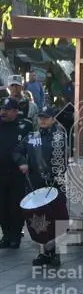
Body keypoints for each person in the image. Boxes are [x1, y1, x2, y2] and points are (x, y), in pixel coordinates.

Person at [22, 106, 68, 266]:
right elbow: (18, 150)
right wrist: (22, 162)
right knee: (38, 220)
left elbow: (63, 160)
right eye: (41, 117)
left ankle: (56, 253)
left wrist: (55, 175)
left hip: (54, 185)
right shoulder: (31, 136)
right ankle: (44, 253)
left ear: (53, 119)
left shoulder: (60, 136)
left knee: (56, 219)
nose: (42, 120)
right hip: (36, 184)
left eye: (46, 117)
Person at [0, 97, 33, 248]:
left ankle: (15, 235)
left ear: (15, 111)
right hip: (1, 172)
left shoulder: (25, 125)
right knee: (2, 206)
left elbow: (31, 146)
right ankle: (6, 234)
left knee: (15, 206)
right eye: (2, 109)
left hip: (17, 173)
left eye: (7, 110)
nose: (3, 113)